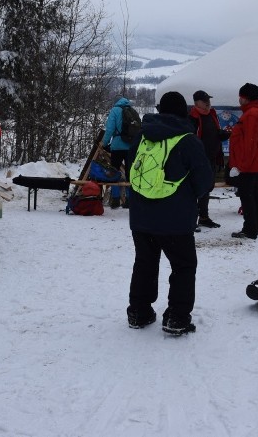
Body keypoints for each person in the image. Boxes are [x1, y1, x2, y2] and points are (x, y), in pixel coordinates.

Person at [126, 91, 213, 336]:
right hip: (175, 219)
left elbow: (130, 172)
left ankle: (138, 312)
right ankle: (177, 318)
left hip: (141, 217)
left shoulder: (142, 136)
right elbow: (204, 181)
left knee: (144, 263)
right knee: (183, 266)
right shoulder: (188, 140)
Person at [228, 83, 258, 240]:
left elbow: (250, 142)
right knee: (255, 194)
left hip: (249, 164)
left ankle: (250, 229)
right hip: (256, 162)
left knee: (246, 195)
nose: (239, 99)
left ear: (245, 98)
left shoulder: (251, 114)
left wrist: (241, 165)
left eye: (241, 96)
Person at [188, 89, 229, 228]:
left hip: (212, 157)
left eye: (209, 100)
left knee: (207, 188)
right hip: (198, 159)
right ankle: (190, 219)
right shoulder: (192, 117)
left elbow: (214, 132)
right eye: (205, 101)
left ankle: (204, 217)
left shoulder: (212, 114)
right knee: (195, 189)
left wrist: (222, 134)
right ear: (197, 102)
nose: (208, 103)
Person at [101, 96, 135, 209]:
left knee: (114, 172)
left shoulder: (115, 110)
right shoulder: (131, 111)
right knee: (130, 173)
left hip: (117, 146)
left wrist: (104, 143)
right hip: (131, 146)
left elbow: (110, 129)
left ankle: (115, 199)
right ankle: (129, 199)